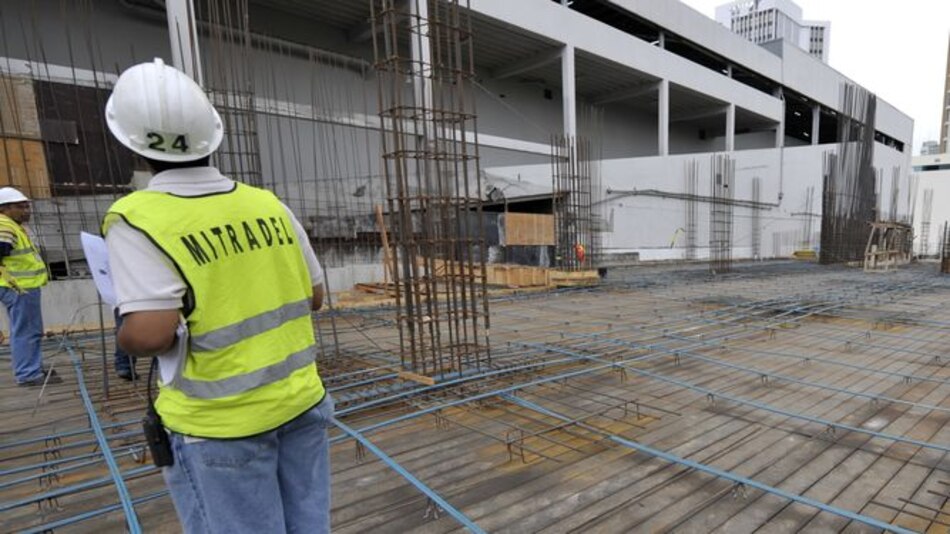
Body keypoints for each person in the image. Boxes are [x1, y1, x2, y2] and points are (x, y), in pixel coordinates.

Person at [102, 58, 333, 533]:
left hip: (220, 425)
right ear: (213, 133)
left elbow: (150, 334)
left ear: (130, 143)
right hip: (301, 402)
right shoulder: (268, 204)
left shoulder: (137, 218)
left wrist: (125, 336)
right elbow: (314, 296)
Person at [0, 187, 62, 387]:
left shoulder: (12, 225)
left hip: (22, 288)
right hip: (19, 288)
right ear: (4, 208)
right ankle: (28, 373)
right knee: (27, 330)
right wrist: (12, 283)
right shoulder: (4, 227)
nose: (26, 211)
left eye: (27, 206)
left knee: (29, 329)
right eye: (20, 207)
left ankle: (32, 367)